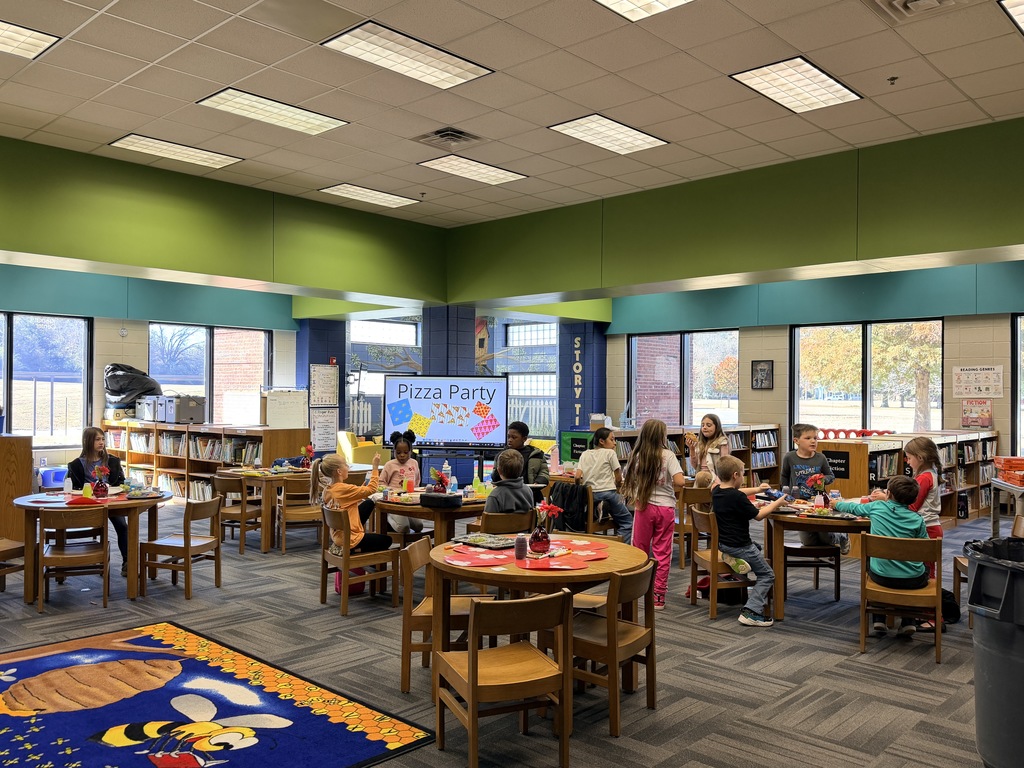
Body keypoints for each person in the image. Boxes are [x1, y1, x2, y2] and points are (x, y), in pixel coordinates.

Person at [834, 475, 928, 637]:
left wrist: (836, 503)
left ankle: (879, 618)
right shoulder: (918, 520)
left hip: (881, 577)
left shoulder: (877, 507)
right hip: (912, 580)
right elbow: (925, 549)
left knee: (871, 563)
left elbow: (854, 509)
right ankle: (908, 621)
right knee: (920, 569)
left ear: (889, 494)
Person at [711, 454, 788, 627]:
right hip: (740, 545)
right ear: (735, 476)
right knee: (767, 574)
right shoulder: (737, 498)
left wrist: (758, 490)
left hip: (724, 544)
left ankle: (731, 558)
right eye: (743, 474)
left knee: (757, 546)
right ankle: (751, 612)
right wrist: (778, 502)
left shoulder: (716, 491)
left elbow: (738, 492)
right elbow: (759, 516)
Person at [620, 419, 685, 611]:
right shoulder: (668, 455)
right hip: (665, 509)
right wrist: (667, 488)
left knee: (638, 549)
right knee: (662, 552)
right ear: (661, 436)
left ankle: (633, 591)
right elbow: (680, 481)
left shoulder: (636, 455)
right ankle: (658, 597)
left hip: (644, 507)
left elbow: (627, 479)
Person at [780, 423, 849, 555]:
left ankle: (842, 536)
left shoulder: (820, 458)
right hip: (799, 504)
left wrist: (823, 479)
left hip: (819, 504)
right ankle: (828, 549)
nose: (813, 441)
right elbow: (784, 476)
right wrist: (785, 495)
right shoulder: (790, 457)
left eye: (815, 438)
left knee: (825, 537)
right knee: (809, 542)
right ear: (796, 441)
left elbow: (831, 476)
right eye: (808, 438)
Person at [68, 426, 129, 577]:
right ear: (88, 441)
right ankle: (70, 562)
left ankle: (127, 562)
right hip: (89, 503)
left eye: (103, 439)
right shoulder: (76, 464)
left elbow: (121, 482)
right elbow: (71, 487)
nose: (101, 442)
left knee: (122, 525)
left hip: (111, 501)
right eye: (97, 439)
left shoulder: (112, 461)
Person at [316, 451, 391, 554]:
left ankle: (354, 547)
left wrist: (363, 488)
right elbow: (372, 489)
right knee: (387, 541)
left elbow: (355, 494)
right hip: (350, 539)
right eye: (346, 465)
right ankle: (353, 550)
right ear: (339, 471)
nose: (348, 467)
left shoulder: (328, 490)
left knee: (368, 504)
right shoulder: (343, 489)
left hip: (338, 535)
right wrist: (375, 467)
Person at [575, 427, 633, 544]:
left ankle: (600, 509)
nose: (615, 443)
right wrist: (617, 486)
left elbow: (577, 476)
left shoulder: (585, 453)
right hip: (607, 492)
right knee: (627, 521)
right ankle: (621, 548)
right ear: (602, 441)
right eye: (612, 439)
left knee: (614, 510)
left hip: (589, 495)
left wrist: (579, 489)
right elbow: (618, 477)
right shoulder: (610, 453)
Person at [490, 421, 549, 502]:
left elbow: (544, 472)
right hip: (506, 495)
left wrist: (538, 482)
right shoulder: (501, 455)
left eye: (514, 437)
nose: (510, 440)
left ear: (524, 439)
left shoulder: (536, 454)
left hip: (532, 494)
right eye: (508, 437)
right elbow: (495, 477)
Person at [379, 430, 422, 535]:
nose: (402, 455)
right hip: (394, 503)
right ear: (394, 451)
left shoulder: (414, 463)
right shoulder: (390, 465)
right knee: (404, 527)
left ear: (410, 451)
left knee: (419, 526)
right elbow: (380, 483)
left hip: (409, 502)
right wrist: (390, 491)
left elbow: (417, 481)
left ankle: (403, 518)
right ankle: (388, 516)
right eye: (398, 453)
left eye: (405, 452)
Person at [484, 449, 535, 513]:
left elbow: (489, 521)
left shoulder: (495, 495)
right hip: (523, 523)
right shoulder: (528, 490)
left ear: (499, 470)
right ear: (521, 470)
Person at [684, 413, 730, 478]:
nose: (705, 427)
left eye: (708, 425)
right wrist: (692, 449)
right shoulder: (699, 443)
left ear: (717, 427)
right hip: (700, 477)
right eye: (702, 425)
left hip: (715, 478)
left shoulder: (722, 442)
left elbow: (724, 464)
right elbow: (695, 466)